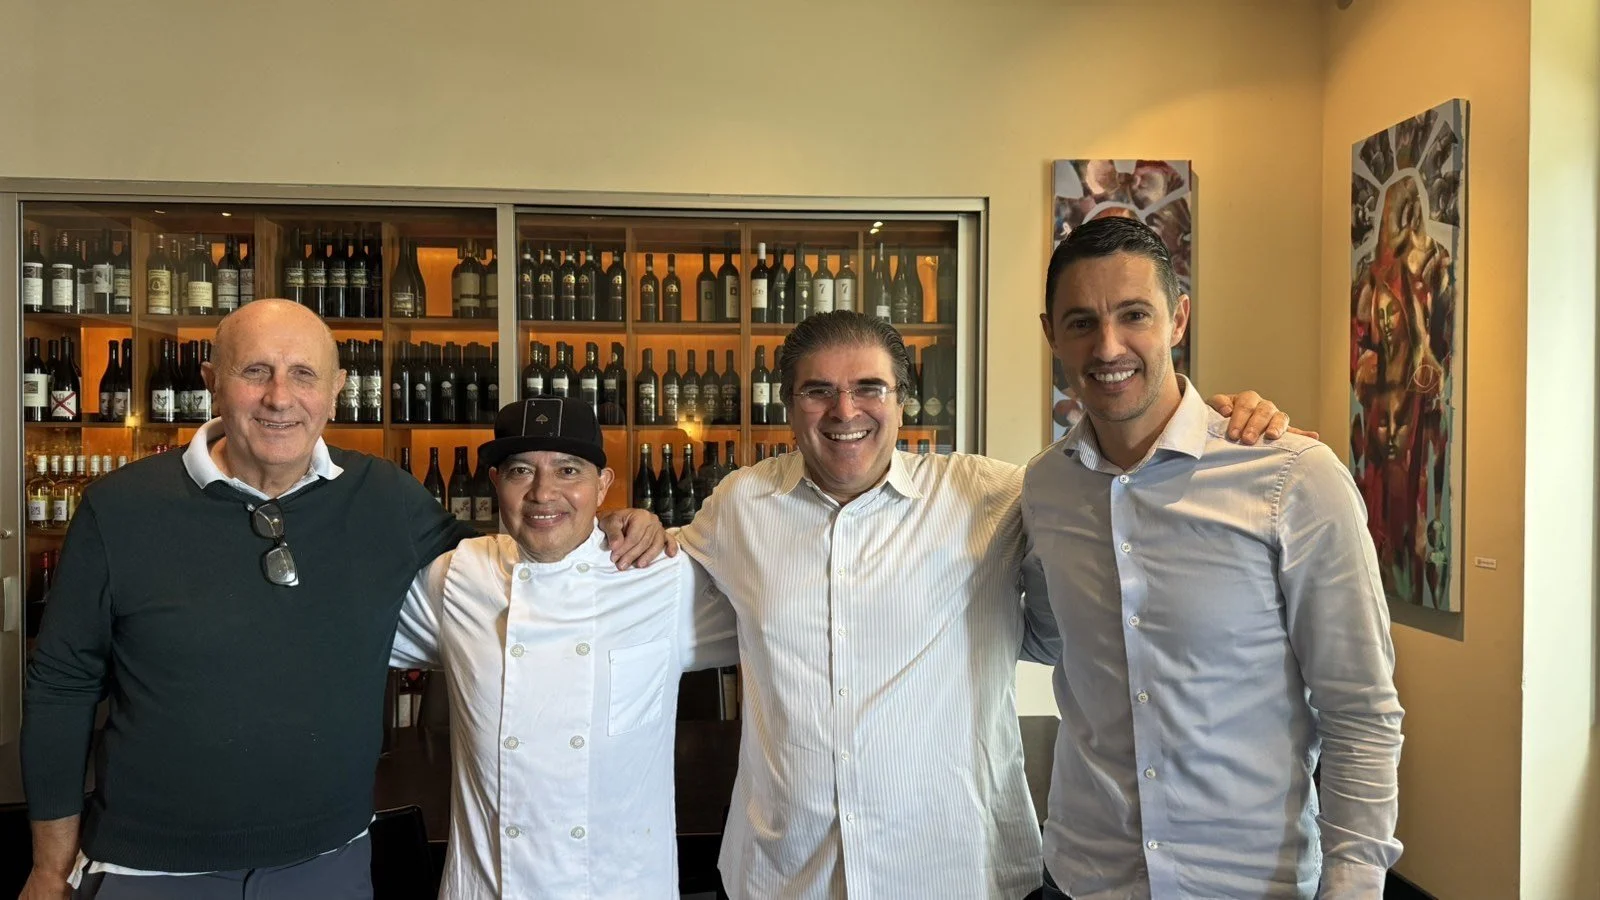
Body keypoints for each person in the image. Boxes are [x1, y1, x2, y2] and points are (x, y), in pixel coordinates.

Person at [19, 300, 663, 900]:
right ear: (213, 381)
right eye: (256, 372)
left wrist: (611, 524)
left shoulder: (383, 497)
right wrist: (50, 868)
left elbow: (513, 555)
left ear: (335, 391)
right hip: (150, 869)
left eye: (303, 374)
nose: (280, 397)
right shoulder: (122, 507)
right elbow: (61, 684)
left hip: (330, 864)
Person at [676, 309, 1298, 899]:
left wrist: (1211, 423)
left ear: (901, 399)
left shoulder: (988, 494)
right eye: (818, 391)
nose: (845, 411)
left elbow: (1117, 483)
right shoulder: (742, 502)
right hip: (785, 870)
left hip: (955, 866)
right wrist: (635, 529)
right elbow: (652, 581)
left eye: (870, 387)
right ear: (789, 406)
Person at [1025, 216, 1404, 899]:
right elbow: (1053, 637)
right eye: (1080, 322)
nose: (1107, 345)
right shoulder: (1044, 487)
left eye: (1133, 314)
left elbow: (1361, 709)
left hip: (1250, 883)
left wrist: (1354, 884)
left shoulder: (1292, 476)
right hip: (1085, 877)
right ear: (1052, 333)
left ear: (1178, 319)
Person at [388, 397, 739, 899]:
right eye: (520, 471)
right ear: (495, 485)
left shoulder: (661, 574)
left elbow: (779, 620)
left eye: (568, 470)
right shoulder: (458, 575)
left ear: (602, 485)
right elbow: (354, 632)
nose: (543, 493)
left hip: (621, 886)